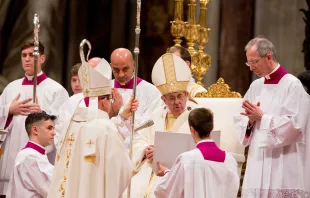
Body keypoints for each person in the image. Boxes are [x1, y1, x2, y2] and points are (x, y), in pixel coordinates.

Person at [47, 48, 135, 198]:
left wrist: (119, 117)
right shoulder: (106, 127)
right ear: (104, 100)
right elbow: (123, 171)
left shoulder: (72, 122)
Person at [234, 37, 310, 197]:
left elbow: (296, 125)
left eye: (254, 62)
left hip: (282, 162)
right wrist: (250, 121)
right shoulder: (255, 86)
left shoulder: (292, 85)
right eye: (249, 63)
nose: (251, 68)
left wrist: (263, 117)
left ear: (268, 57)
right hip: (257, 161)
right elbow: (240, 118)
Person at [121, 53, 200, 198]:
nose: (177, 102)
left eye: (180, 96)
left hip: (178, 175)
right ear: (163, 99)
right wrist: (146, 150)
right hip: (151, 169)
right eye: (171, 98)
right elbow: (138, 139)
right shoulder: (156, 116)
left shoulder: (195, 117)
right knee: (130, 192)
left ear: (186, 94)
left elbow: (201, 147)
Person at [0, 39, 69, 195]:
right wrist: (9, 110)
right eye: (24, 55)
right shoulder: (11, 88)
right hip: (10, 158)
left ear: (42, 58)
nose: (27, 59)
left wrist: (42, 114)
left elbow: (64, 125)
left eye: (32, 55)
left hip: (40, 163)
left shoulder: (56, 90)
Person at [154, 108, 239, 198]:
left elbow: (168, 190)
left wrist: (167, 172)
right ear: (212, 128)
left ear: (192, 130)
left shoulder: (187, 160)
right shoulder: (230, 161)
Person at [6, 111, 56, 198]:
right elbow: (52, 190)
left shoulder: (33, 154)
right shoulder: (30, 157)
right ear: (35, 130)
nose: (54, 132)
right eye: (49, 128)